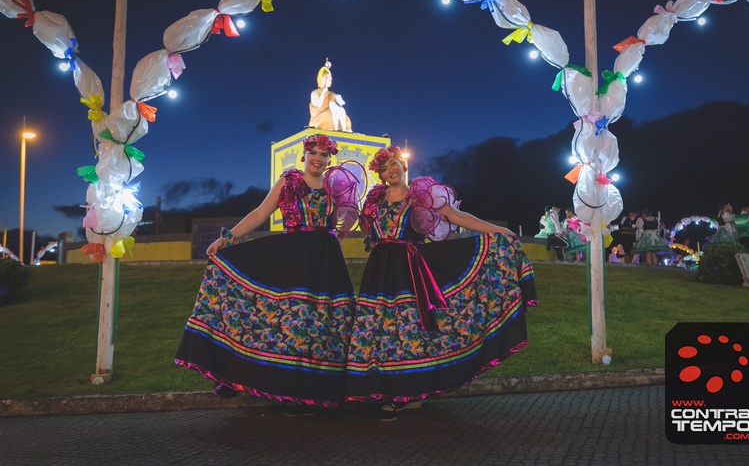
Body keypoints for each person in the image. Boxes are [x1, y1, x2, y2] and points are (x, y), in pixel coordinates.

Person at [345, 145, 537, 421]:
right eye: (385, 168)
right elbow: (371, 236)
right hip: (378, 271)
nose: (391, 170)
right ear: (381, 175)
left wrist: (499, 231)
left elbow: (458, 217)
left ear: (403, 165)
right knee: (376, 328)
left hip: (410, 269)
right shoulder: (374, 202)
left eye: (394, 163)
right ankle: (375, 389)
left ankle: (402, 393)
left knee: (407, 328)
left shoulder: (422, 196)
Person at [174, 134, 362, 414]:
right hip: (292, 256)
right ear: (304, 154)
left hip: (325, 260)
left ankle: (315, 391)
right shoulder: (289, 181)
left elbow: (344, 220)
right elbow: (260, 213)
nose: (318, 159)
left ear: (329, 159)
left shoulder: (334, 186)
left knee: (321, 327)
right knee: (290, 325)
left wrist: (341, 233)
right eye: (314, 152)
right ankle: (279, 388)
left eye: (324, 155)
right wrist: (228, 238)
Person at [308, 59, 353, 132]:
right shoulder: (315, 93)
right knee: (328, 115)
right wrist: (323, 93)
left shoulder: (331, 93)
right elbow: (318, 105)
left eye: (330, 78)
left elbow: (336, 104)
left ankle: (345, 129)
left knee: (344, 116)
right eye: (326, 78)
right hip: (319, 118)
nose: (329, 79)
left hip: (332, 112)